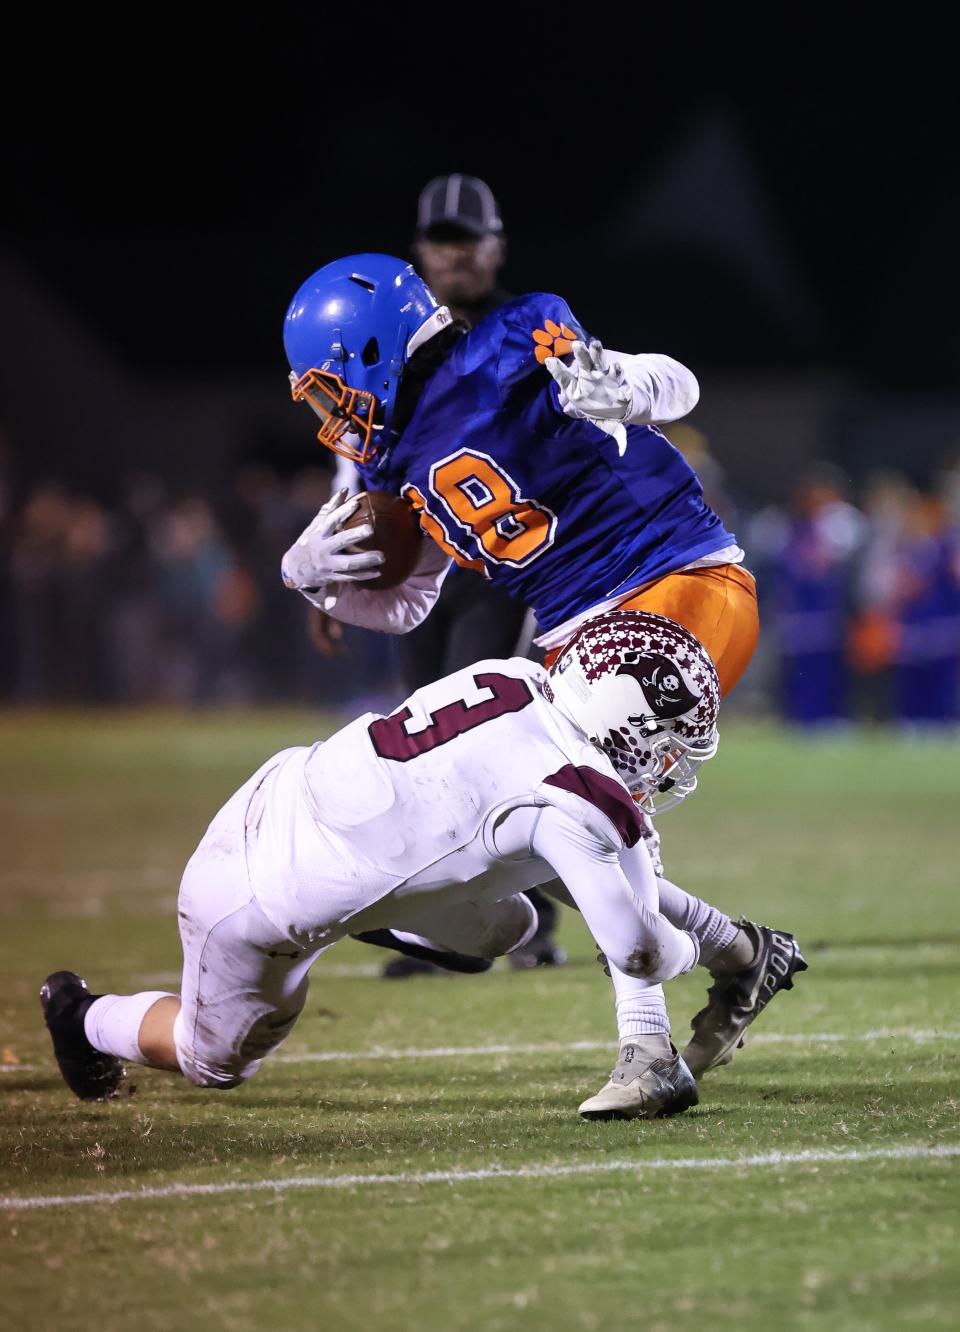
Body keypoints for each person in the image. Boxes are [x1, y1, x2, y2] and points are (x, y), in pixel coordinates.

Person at [40, 613, 805, 1121]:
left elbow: (562, 831)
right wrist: (691, 948)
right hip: (256, 901)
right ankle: (82, 1015)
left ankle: (382, 910)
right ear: (628, 722)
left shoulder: (518, 677)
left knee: (511, 919)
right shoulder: (572, 793)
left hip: (286, 790)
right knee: (214, 1061)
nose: (671, 761)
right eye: (667, 739)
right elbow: (637, 948)